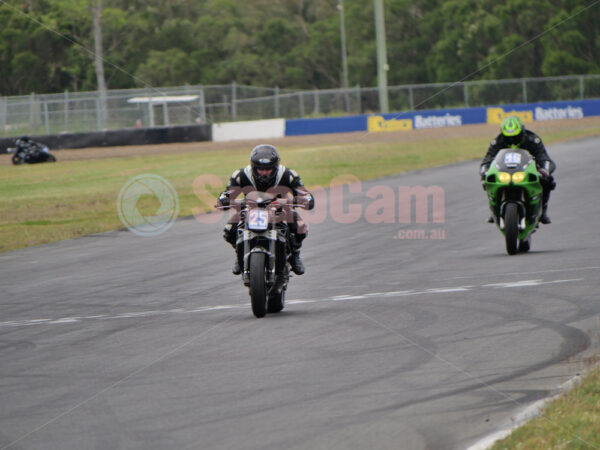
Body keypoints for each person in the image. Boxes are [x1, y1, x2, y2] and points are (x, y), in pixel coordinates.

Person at [217, 144, 315, 275]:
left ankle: (295, 255)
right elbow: (227, 193)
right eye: (260, 169)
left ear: (275, 167)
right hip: (249, 210)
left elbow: (305, 195)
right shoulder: (240, 175)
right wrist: (224, 199)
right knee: (229, 231)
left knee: (300, 228)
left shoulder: (287, 174)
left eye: (268, 169)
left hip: (280, 210)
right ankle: (239, 252)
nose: (264, 172)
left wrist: (302, 200)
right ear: (253, 167)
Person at [480, 116, 556, 224]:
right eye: (508, 138)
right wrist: (484, 171)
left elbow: (545, 159)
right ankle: (494, 210)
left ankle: (543, 211)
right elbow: (487, 159)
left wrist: (544, 171)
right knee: (487, 180)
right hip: (505, 172)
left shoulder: (533, 140)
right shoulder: (497, 141)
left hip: (527, 170)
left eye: (515, 137)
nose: (512, 141)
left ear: (522, 132)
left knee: (548, 181)